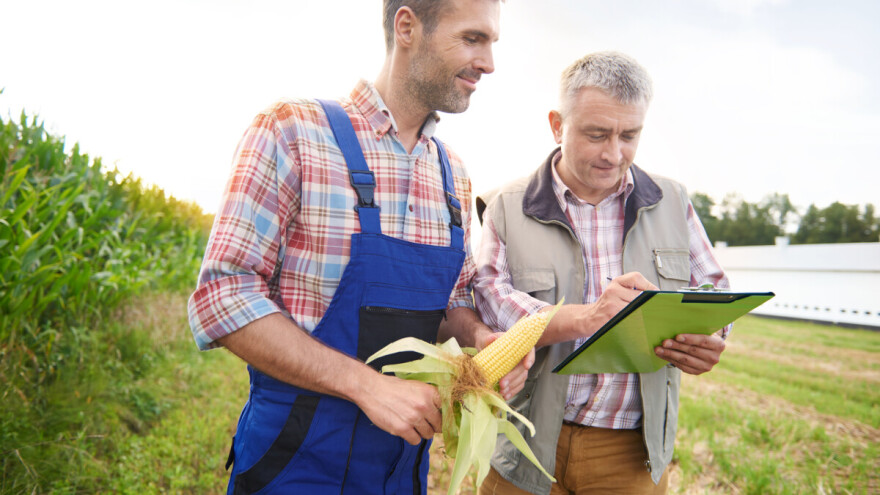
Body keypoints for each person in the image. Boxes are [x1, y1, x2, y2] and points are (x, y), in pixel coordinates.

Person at [186, 1, 528, 494]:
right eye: (473, 39)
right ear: (407, 26)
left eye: (492, 43)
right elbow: (222, 297)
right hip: (293, 464)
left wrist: (479, 339)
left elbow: (451, 301)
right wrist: (366, 386)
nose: (489, 63)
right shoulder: (292, 131)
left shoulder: (453, 174)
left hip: (399, 472)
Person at [473, 51, 731, 495]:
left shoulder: (673, 201)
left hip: (629, 456)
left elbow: (714, 292)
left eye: (629, 135)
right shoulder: (506, 206)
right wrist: (588, 316)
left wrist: (711, 340)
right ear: (557, 125)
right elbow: (491, 302)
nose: (614, 154)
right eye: (597, 134)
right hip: (524, 443)